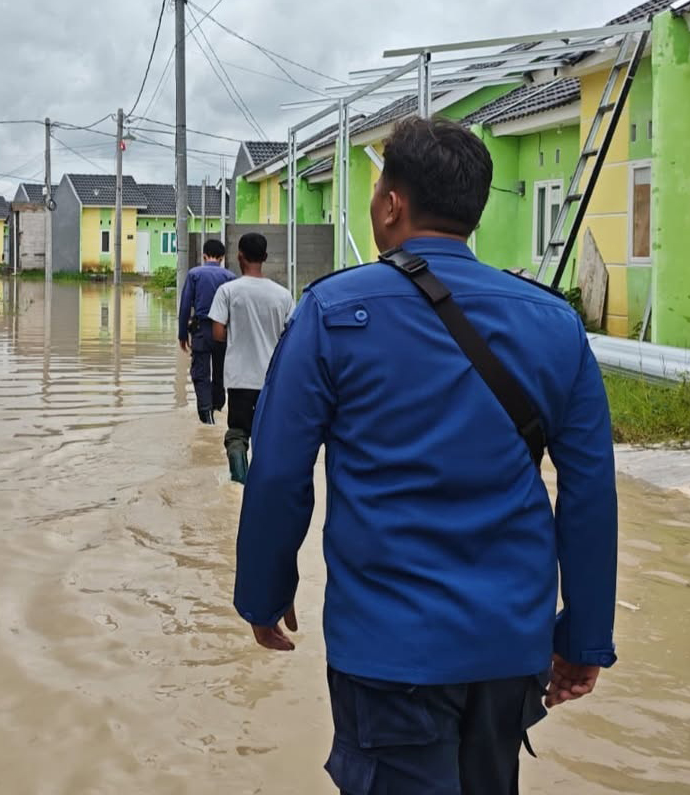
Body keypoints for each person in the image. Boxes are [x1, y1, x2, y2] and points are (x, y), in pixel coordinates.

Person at [233, 117, 618, 794]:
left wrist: (264, 591)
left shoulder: (331, 312)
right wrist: (583, 638)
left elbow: (277, 470)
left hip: (387, 650)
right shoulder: (555, 323)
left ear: (390, 204)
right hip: (510, 645)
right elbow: (588, 493)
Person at [208, 233, 294, 484]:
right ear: (265, 257)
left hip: (239, 379)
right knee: (268, 436)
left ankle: (239, 480)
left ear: (239, 256)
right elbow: (292, 338)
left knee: (237, 434)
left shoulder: (228, 291)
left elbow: (217, 334)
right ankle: (263, 486)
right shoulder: (283, 295)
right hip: (273, 380)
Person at [178, 239, 235, 424]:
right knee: (220, 372)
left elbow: (185, 306)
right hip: (223, 332)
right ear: (222, 258)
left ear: (204, 256)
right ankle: (218, 406)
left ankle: (206, 415)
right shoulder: (230, 277)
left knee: (201, 373)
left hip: (201, 331)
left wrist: (182, 334)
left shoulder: (194, 274)